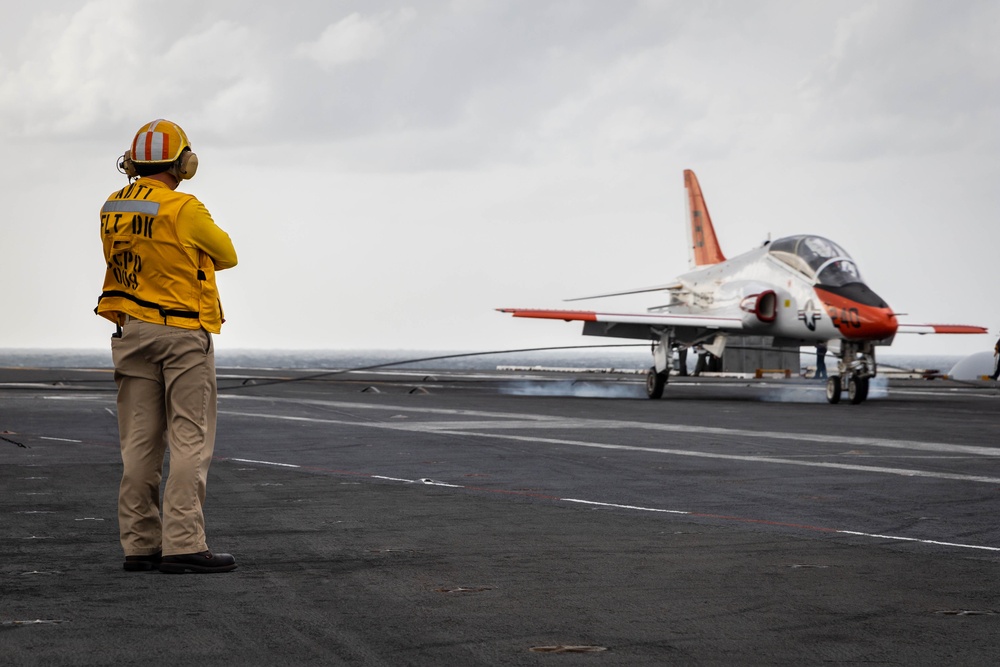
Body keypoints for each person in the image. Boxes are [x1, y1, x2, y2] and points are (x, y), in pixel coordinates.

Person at [96, 119, 238, 574]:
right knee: (188, 437)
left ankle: (139, 545)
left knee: (138, 444)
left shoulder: (111, 205)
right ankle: (183, 544)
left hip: (131, 331)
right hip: (180, 334)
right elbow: (228, 254)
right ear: (183, 162)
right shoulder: (183, 207)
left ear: (133, 163)